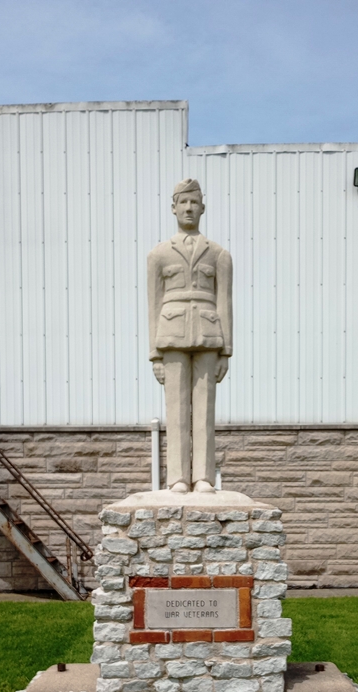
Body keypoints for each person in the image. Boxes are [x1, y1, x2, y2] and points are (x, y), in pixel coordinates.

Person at [147, 178, 233, 493]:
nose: (188, 208)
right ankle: (179, 478)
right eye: (182, 202)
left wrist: (226, 351)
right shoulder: (158, 255)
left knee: (205, 409)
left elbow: (224, 302)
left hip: (209, 335)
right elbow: (153, 303)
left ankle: (204, 477)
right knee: (177, 410)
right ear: (173, 208)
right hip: (171, 334)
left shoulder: (219, 254)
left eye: (194, 202)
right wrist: (154, 354)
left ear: (203, 208)